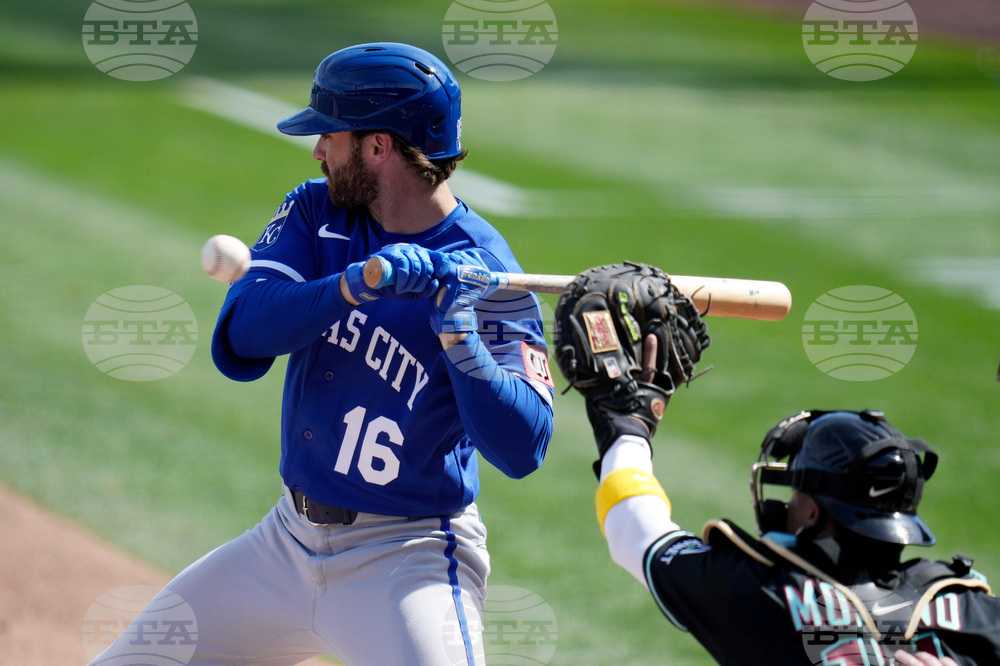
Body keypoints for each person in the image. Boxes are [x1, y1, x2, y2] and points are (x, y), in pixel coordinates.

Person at [91, 42, 554, 665]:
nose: (317, 150)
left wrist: (459, 338)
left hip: (409, 561)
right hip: (283, 545)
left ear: (378, 147)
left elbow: (524, 447)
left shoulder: (488, 272)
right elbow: (242, 335)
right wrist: (352, 285)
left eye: (329, 135)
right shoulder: (318, 212)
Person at [551, 267, 1000, 665]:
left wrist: (628, 426)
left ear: (815, 511)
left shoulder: (765, 593)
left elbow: (633, 531)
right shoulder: (976, 611)